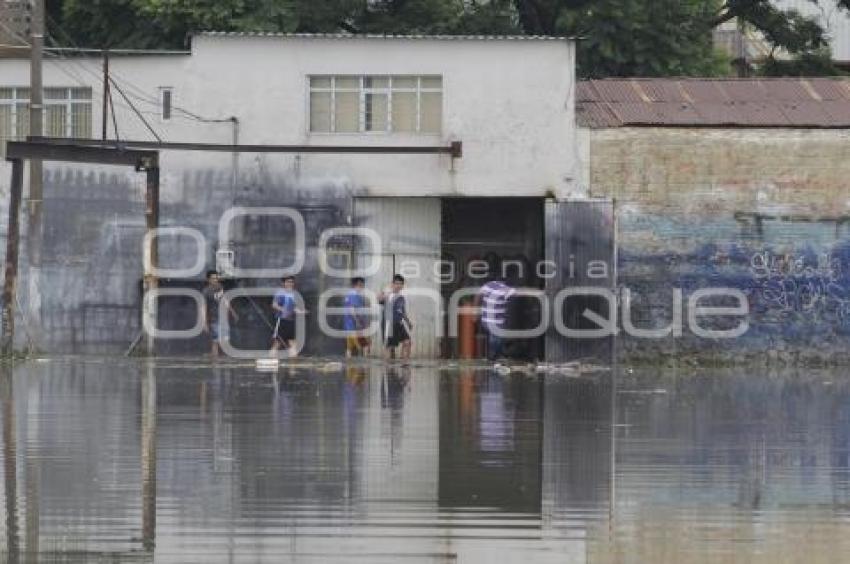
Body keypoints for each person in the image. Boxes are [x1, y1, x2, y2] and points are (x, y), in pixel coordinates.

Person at [202, 270, 238, 359]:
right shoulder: (206, 291)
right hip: (214, 318)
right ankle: (214, 359)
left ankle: (224, 360)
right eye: (213, 278)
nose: (215, 280)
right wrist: (204, 322)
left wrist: (233, 312)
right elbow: (203, 307)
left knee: (226, 339)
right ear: (208, 280)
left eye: (216, 278)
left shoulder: (220, 288)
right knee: (216, 341)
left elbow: (225, 300)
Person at [477, 277, 515, 361]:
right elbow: (512, 303)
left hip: (487, 318)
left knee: (494, 337)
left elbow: (478, 295)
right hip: (497, 320)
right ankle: (494, 356)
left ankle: (494, 356)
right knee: (496, 338)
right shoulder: (508, 290)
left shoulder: (489, 285)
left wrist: (477, 307)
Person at [378, 274, 412, 360]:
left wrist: (408, 322)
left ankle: (404, 363)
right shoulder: (388, 295)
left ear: (403, 285)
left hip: (399, 323)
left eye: (400, 284)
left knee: (407, 342)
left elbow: (402, 312)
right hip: (389, 324)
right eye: (396, 283)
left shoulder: (401, 298)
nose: (398, 285)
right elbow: (380, 299)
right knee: (389, 347)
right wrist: (382, 294)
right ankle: (387, 369)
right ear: (392, 284)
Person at [270, 276, 306, 357]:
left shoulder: (294, 294)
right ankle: (271, 362)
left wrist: (300, 312)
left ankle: (293, 367)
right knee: (277, 343)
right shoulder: (280, 293)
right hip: (281, 320)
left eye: (292, 282)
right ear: (283, 283)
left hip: (291, 321)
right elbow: (274, 305)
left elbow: (294, 308)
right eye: (288, 282)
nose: (290, 284)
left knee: (293, 343)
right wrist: (283, 309)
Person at [344, 277, 371, 358]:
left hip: (349, 326)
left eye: (362, 285)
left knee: (350, 348)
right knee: (364, 346)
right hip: (354, 326)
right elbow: (352, 310)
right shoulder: (354, 295)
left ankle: (349, 368)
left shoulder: (350, 294)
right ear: (355, 285)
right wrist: (358, 322)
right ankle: (364, 367)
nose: (361, 287)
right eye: (360, 285)